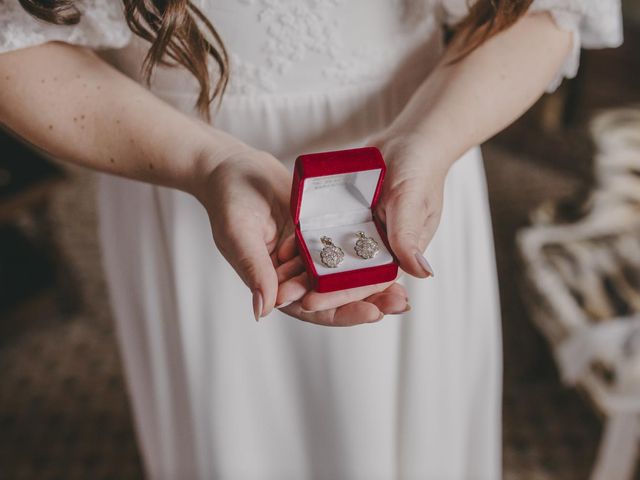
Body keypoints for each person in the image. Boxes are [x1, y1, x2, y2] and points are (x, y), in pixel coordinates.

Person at [0, 0, 622, 478]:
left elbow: (549, 9)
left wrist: (430, 143)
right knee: (235, 433)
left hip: (420, 152)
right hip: (171, 157)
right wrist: (205, 164)